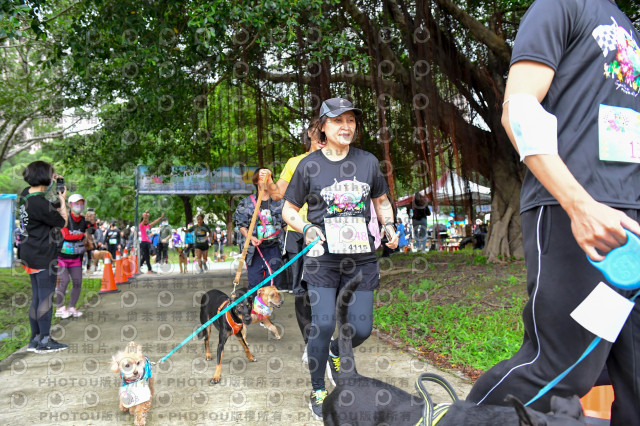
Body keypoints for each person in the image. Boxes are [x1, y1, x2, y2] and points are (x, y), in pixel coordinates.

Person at [465, 2, 640, 425]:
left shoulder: (625, 22)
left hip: (631, 218)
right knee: (563, 368)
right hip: (581, 216)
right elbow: (519, 108)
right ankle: (456, 419)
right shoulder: (559, 6)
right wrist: (580, 205)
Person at [282, 97, 399, 420]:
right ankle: (318, 389)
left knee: (361, 329)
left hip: (361, 258)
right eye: (337, 121)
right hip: (323, 258)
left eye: (350, 120)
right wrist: (306, 228)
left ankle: (335, 351)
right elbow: (288, 209)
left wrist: (388, 225)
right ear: (323, 127)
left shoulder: (368, 162)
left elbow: (381, 200)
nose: (346, 126)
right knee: (322, 324)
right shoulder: (309, 165)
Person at [261, 118, 323, 359]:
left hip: (328, 233)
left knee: (327, 288)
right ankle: (311, 343)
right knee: (302, 291)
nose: (322, 138)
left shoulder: (340, 161)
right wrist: (267, 180)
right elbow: (277, 194)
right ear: (310, 134)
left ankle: (327, 337)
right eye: (318, 133)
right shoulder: (294, 162)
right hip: (298, 233)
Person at [17, 161, 69, 353]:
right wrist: (63, 200)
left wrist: (51, 184)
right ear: (45, 177)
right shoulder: (40, 204)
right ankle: (45, 340)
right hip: (43, 255)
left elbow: (45, 204)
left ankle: (35, 339)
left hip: (29, 253)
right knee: (45, 297)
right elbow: (62, 222)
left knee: (38, 297)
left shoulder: (25, 195)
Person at [233, 168, 284, 290]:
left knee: (273, 283)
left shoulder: (279, 202)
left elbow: (285, 224)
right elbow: (241, 225)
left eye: (268, 178)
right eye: (262, 178)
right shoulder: (246, 203)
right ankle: (254, 302)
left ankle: (269, 303)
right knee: (255, 283)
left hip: (275, 248)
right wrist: (250, 237)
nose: (265, 181)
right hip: (254, 250)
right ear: (256, 181)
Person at [55, 193, 89, 319]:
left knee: (77, 282)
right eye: (76, 203)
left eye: (81, 203)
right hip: (62, 257)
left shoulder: (83, 221)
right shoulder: (65, 219)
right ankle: (59, 308)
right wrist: (81, 236)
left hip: (76, 258)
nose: (79, 206)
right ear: (70, 205)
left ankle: (72, 307)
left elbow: (90, 231)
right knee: (64, 281)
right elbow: (67, 236)